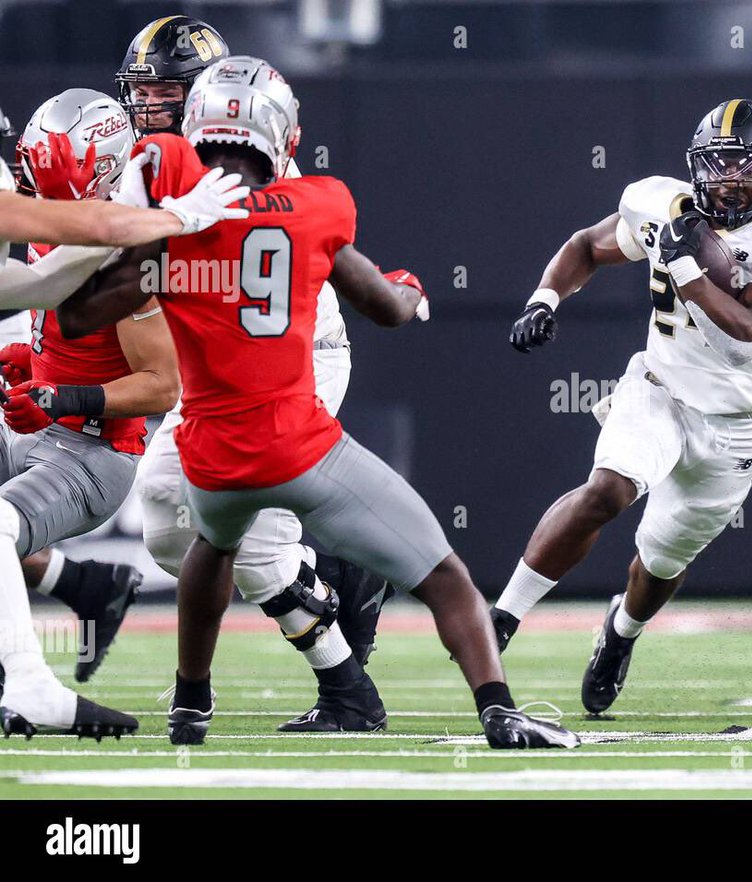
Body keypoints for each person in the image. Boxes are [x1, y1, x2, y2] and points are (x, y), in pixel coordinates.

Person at [58, 56, 579, 750]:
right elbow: (387, 308)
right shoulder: (317, 205)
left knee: (212, 547)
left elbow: (77, 316)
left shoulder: (172, 233)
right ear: (282, 134)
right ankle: (498, 710)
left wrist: (150, 233)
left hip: (211, 460)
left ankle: (191, 705)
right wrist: (412, 292)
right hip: (300, 444)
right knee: (444, 573)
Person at [497, 99, 752, 714]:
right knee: (606, 491)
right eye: (718, 164)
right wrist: (545, 298)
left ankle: (619, 635)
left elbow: (747, 331)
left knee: (661, 559)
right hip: (660, 386)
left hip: (735, 422)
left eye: (744, 166)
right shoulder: (661, 202)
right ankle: (500, 621)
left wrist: (686, 267)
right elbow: (589, 246)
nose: (728, 179)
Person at [118, 13, 403, 732]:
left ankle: (348, 692)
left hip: (292, 362)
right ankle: (331, 572)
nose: (146, 107)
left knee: (257, 546)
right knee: (163, 519)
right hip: (224, 369)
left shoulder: (246, 168)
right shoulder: (170, 162)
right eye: (141, 91)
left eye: (162, 92)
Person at [0, 100, 247, 739]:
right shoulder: (67, 219)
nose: (25, 175)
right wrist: (35, 358)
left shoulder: (132, 260)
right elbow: (43, 288)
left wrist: (62, 397)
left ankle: (31, 681)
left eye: (39, 164)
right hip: (33, 426)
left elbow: (164, 385)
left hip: (88, 451)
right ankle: (73, 593)